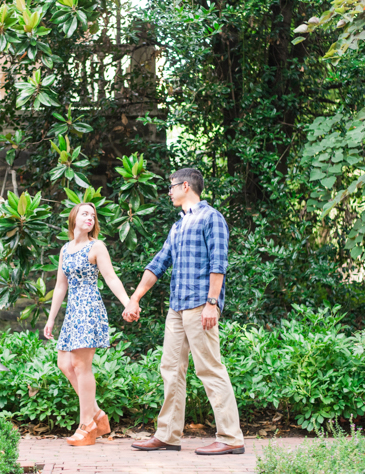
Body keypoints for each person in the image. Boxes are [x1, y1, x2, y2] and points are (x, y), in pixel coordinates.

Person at [123, 168, 245, 455]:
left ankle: (230, 437)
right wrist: (134, 298)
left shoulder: (211, 217)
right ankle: (168, 435)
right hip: (177, 308)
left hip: (201, 305)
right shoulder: (178, 226)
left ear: (186, 186)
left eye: (172, 187)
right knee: (170, 369)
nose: (169, 192)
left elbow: (219, 263)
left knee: (210, 368)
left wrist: (212, 303)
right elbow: (158, 263)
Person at [44, 202, 132, 446]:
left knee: (81, 365)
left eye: (93, 215)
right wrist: (51, 318)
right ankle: (97, 414)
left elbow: (111, 278)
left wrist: (128, 303)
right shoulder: (66, 249)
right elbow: (60, 285)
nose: (90, 218)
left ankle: (86, 426)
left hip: (89, 308)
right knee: (64, 363)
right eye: (85, 214)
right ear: (74, 218)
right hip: (73, 311)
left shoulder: (97, 247)